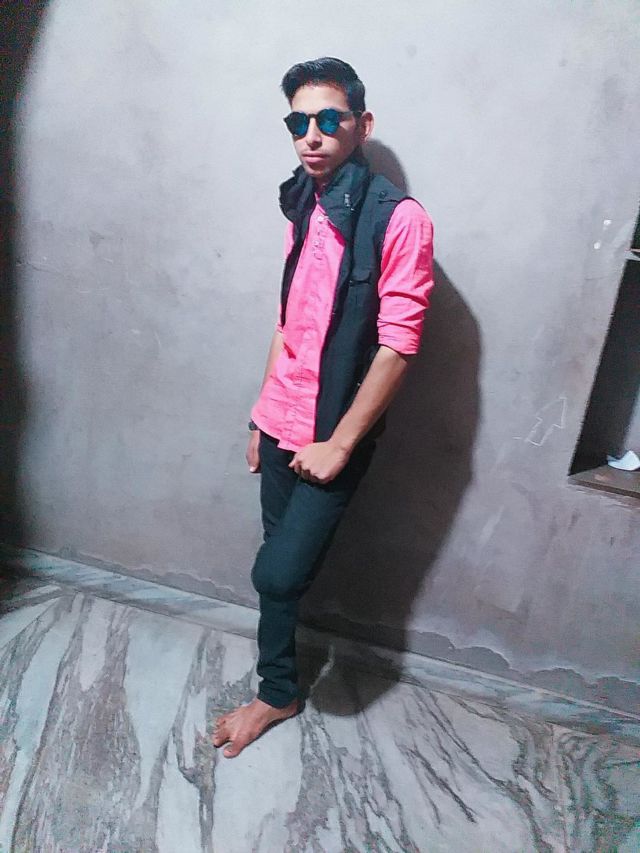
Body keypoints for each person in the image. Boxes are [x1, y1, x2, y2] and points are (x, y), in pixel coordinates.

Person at [213, 57, 434, 757]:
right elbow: (288, 322)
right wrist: (262, 413)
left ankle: (276, 690)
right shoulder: (303, 202)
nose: (311, 135)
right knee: (278, 573)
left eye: (329, 119)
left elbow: (397, 346)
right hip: (281, 418)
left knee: (276, 573)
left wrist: (339, 444)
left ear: (361, 125)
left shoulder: (400, 220)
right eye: (298, 121)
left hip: (332, 431)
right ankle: (278, 689)